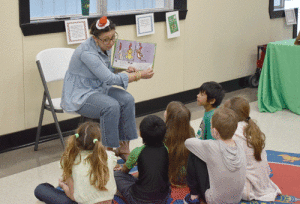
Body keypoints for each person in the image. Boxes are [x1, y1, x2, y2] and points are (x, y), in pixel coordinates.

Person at [60, 16, 154, 159]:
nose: (111, 43)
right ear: (95, 38)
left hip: (99, 87)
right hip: (81, 94)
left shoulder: (104, 45)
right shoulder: (87, 53)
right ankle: (107, 153)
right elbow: (109, 79)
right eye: (106, 39)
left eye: (113, 37)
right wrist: (139, 75)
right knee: (111, 106)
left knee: (127, 99)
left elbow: (107, 70)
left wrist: (124, 68)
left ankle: (123, 149)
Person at [34, 121, 117, 204]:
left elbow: (73, 196)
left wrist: (62, 185)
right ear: (98, 141)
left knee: (40, 189)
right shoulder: (109, 156)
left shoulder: (70, 159)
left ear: (76, 139)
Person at [184, 107, 246, 204]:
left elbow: (188, 143)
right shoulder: (241, 144)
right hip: (237, 198)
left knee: (194, 154)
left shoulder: (210, 146)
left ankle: (194, 195)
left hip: (215, 201)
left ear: (215, 131)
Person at [224, 97, 281, 201]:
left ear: (231, 114)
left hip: (248, 187)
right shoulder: (249, 126)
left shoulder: (234, 132)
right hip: (262, 182)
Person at [114, 115, 171, 204]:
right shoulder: (166, 149)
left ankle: (124, 194)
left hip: (139, 200)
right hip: (164, 198)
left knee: (116, 175)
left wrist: (122, 168)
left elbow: (124, 171)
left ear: (140, 134)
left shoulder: (137, 151)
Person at [164, 101, 195, 187]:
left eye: (167, 111)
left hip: (167, 177)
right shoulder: (191, 132)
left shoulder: (162, 134)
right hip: (186, 176)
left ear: (169, 117)